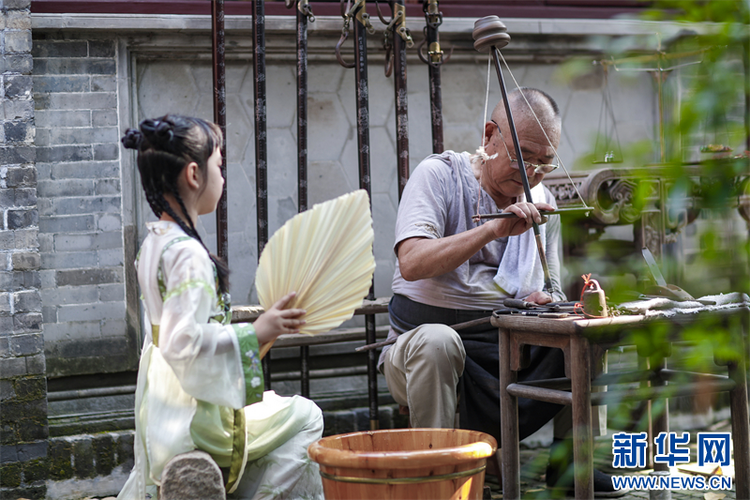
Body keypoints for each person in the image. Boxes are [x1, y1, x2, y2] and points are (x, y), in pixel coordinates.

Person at [380, 88, 623, 497]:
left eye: (545, 163)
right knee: (439, 342)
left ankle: (571, 467)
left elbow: (548, 290)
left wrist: (546, 303)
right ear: (490, 135)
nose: (532, 174)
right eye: (522, 156)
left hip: (505, 348)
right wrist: (492, 229)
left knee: (581, 334)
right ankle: (445, 480)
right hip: (424, 352)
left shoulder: (541, 201)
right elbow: (412, 261)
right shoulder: (439, 176)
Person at [117, 115, 324, 500]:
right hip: (196, 412)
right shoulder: (188, 255)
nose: (224, 178)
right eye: (220, 166)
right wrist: (262, 329)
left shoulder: (154, 244)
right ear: (194, 174)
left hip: (160, 409)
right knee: (306, 417)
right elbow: (183, 342)